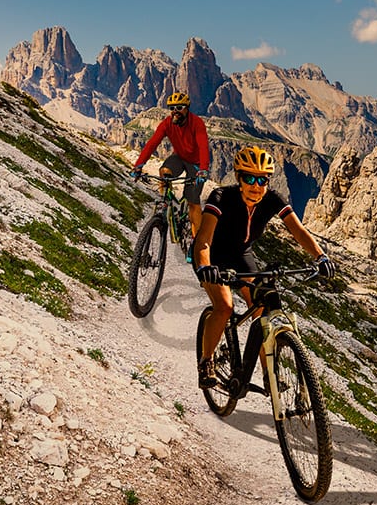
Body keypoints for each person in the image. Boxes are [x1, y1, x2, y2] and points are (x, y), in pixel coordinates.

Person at [192, 145, 336, 389]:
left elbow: (298, 230)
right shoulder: (221, 197)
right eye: (249, 178)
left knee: (261, 310)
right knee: (225, 307)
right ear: (239, 178)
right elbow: (203, 240)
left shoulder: (271, 199)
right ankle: (207, 361)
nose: (256, 186)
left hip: (242, 255)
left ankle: (270, 375)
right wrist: (206, 266)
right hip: (213, 256)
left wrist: (321, 257)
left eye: (262, 180)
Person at [131, 91, 211, 236]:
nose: (175, 111)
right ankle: (165, 201)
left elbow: (203, 146)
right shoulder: (167, 123)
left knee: (193, 201)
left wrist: (203, 169)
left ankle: (196, 241)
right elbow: (152, 144)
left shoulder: (197, 123)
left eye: (179, 107)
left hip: (197, 164)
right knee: (164, 171)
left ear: (187, 108)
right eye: (172, 108)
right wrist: (138, 165)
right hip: (179, 157)